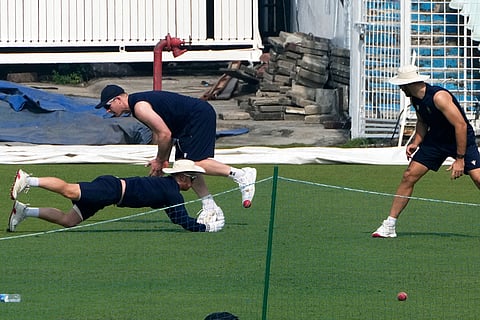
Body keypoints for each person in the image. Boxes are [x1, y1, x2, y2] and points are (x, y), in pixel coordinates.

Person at [94, 85, 256, 219]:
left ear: (118, 99)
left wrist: (159, 160)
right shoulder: (138, 105)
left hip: (197, 116)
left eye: (108, 106)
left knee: (194, 163)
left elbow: (165, 134)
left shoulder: (139, 107)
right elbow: (165, 132)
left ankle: (241, 175)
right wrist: (163, 160)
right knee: (183, 167)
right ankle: (210, 207)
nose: (108, 111)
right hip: (188, 122)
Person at [372, 64, 480, 238]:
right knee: (409, 175)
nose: (400, 88)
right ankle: (389, 225)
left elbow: (460, 125)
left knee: (478, 178)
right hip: (435, 141)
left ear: (409, 84)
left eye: (401, 84)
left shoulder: (439, 97)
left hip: (460, 139)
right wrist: (416, 142)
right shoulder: (415, 98)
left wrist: (459, 159)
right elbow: (422, 122)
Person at [8, 160, 224, 233]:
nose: (194, 183)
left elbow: (177, 218)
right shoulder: (171, 191)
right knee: (69, 190)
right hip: (111, 189)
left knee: (69, 221)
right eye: (193, 178)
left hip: (110, 196)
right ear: (183, 178)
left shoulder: (169, 192)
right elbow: (184, 221)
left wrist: (196, 224)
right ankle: (28, 180)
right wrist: (206, 227)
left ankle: (25, 211)